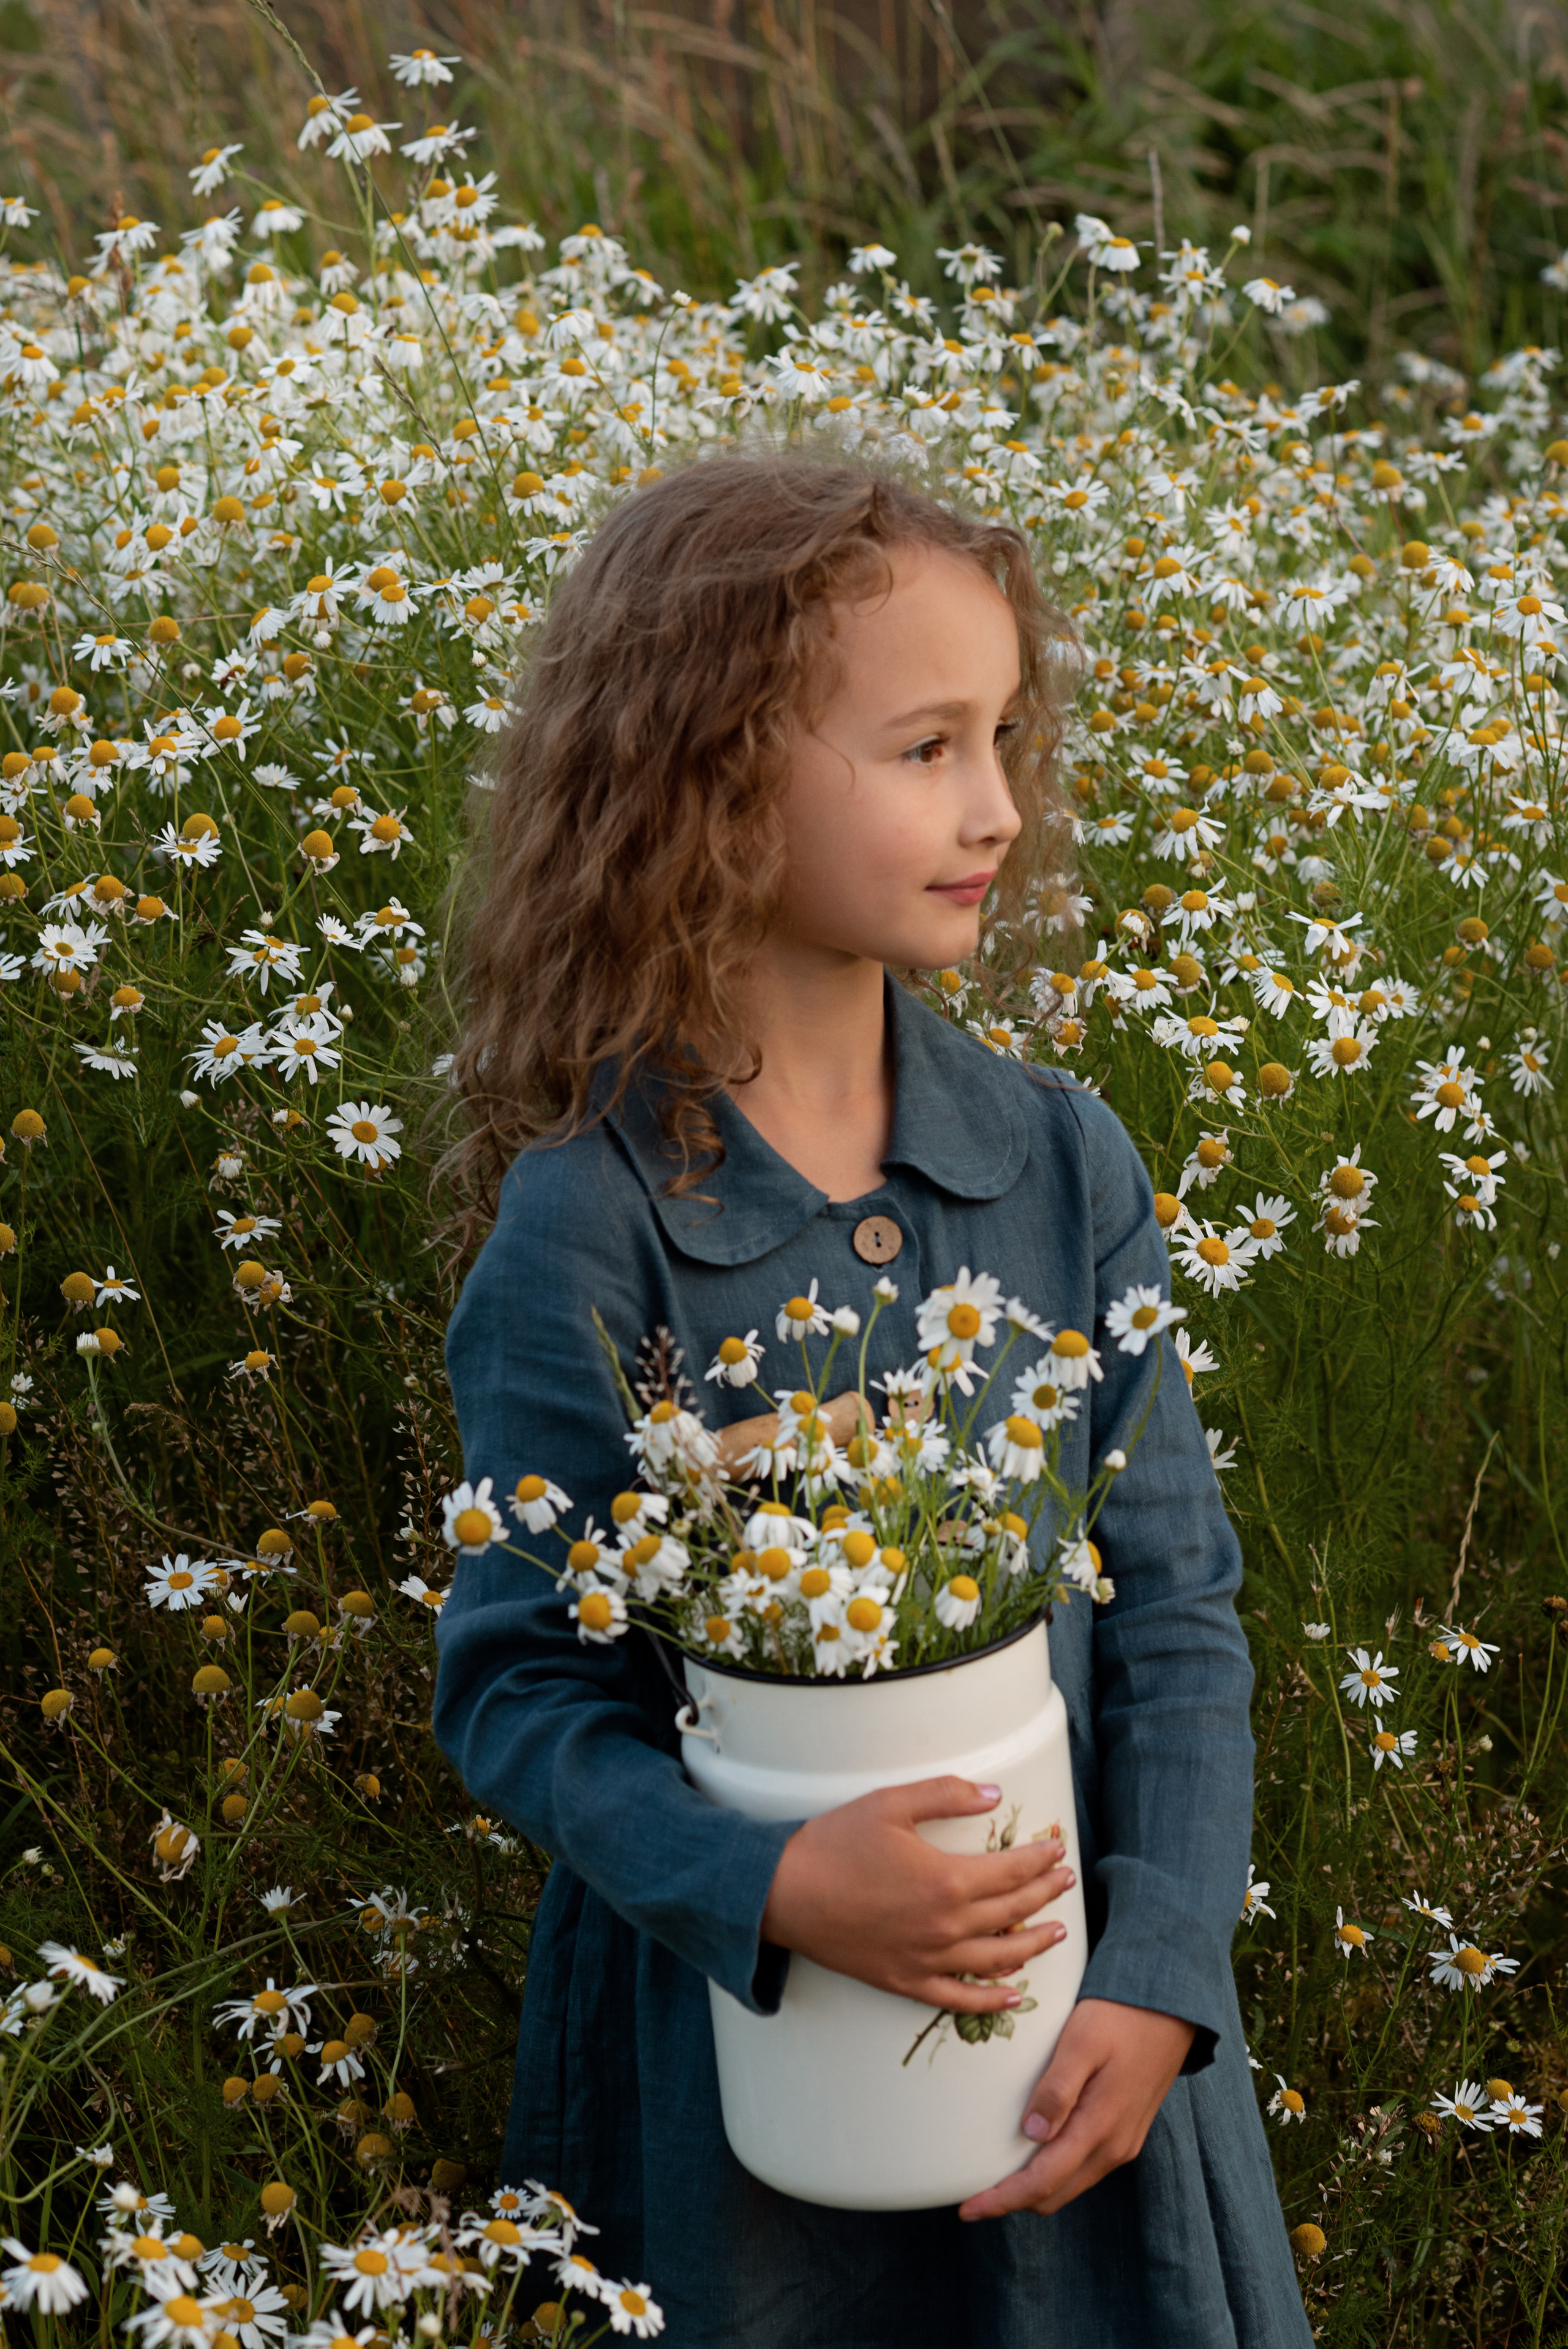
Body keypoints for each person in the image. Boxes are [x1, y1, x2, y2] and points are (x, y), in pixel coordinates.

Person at [433, 454, 1311, 2347]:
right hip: (742, 2098)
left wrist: (1158, 1974)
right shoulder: (594, 1225)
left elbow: (1174, 1608)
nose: (997, 805)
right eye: (924, 748)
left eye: (1003, 736)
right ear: (714, 774)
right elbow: (519, 1684)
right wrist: (771, 1879)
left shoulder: (1066, 1165)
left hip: (1077, 2065)